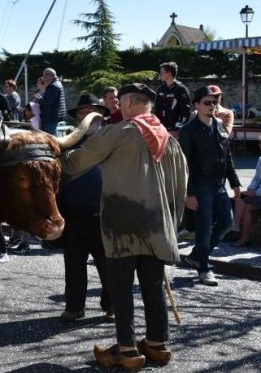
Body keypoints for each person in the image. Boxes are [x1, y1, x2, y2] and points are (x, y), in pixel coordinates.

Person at [62, 83, 187, 370]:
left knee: (120, 287)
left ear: (129, 104)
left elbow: (78, 161)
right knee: (153, 285)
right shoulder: (169, 139)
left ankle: (128, 350)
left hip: (123, 224)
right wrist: (171, 225)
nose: (118, 107)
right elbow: (181, 188)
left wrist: (57, 157)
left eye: (120, 102)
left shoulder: (119, 133)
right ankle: (156, 343)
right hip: (158, 226)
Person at [178, 85, 240, 287]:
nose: (212, 105)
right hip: (200, 186)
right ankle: (203, 268)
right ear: (197, 105)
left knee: (227, 223)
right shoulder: (188, 130)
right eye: (207, 102)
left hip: (219, 185)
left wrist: (235, 182)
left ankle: (197, 256)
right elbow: (184, 164)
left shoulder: (221, 125)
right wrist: (188, 193)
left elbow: (227, 156)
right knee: (203, 230)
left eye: (215, 102)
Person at [58, 94, 112, 322]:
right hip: (72, 214)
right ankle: (74, 307)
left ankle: (112, 305)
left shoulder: (113, 141)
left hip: (105, 215)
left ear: (101, 118)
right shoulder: (65, 143)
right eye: (82, 114)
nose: (87, 118)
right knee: (73, 265)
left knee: (109, 266)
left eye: (92, 114)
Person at [233, 132, 261, 246]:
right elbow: (256, 179)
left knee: (244, 199)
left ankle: (237, 229)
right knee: (245, 203)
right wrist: (251, 189)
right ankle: (241, 234)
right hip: (260, 195)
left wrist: (256, 193)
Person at [154, 61, 191, 132]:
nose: (160, 75)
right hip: (162, 129)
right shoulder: (161, 89)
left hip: (175, 130)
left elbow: (185, 111)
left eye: (161, 73)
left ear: (169, 74)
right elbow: (157, 109)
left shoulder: (181, 89)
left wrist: (179, 129)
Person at [36, 68, 66, 135]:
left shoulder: (53, 86)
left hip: (51, 117)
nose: (43, 78)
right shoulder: (57, 84)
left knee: (51, 138)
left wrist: (39, 99)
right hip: (54, 116)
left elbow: (48, 102)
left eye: (44, 76)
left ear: (49, 75)